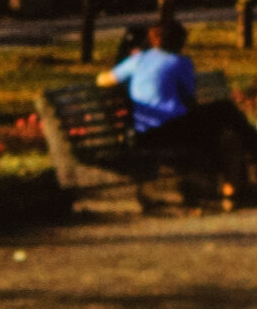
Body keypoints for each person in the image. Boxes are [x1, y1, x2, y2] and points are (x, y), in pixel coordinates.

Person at [97, 13, 248, 205]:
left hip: (144, 133)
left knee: (225, 126)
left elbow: (105, 79)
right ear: (180, 41)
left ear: (153, 40)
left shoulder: (139, 59)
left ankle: (240, 179)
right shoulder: (180, 62)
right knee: (225, 116)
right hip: (170, 132)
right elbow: (189, 99)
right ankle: (237, 185)